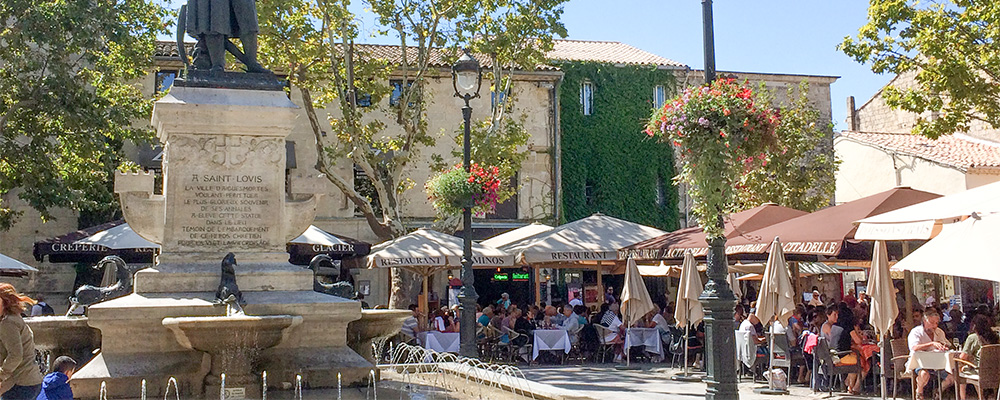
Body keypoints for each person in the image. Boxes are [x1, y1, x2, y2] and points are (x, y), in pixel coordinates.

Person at [0, 283, 43, 399]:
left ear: (5, 302)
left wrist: (1, 375)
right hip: (29, 381)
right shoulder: (14, 318)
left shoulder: (8, 323)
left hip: (19, 383)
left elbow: (15, 356)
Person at [908, 309, 953, 400]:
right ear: (924, 321)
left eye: (936, 323)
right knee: (924, 374)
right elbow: (914, 347)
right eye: (932, 322)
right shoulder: (916, 332)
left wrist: (943, 346)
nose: (934, 326)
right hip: (920, 362)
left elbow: (947, 344)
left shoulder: (939, 332)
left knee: (952, 377)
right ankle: (919, 392)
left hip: (938, 363)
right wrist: (931, 344)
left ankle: (938, 391)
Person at [958, 314, 999, 400]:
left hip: (979, 372)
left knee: (959, 371)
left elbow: (962, 357)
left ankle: (962, 398)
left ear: (974, 326)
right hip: (996, 372)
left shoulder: (972, 338)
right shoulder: (996, 337)